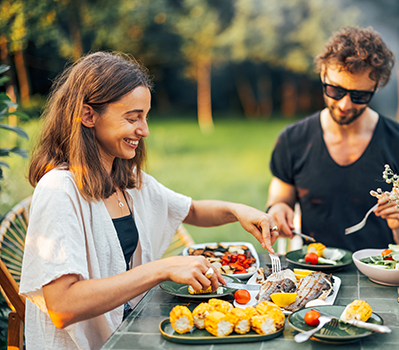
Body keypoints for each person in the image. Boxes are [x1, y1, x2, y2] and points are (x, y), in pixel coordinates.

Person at [19, 51, 278, 350]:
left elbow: (190, 210)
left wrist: (238, 210)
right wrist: (160, 269)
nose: (144, 130)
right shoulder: (59, 190)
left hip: (131, 331)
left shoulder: (124, 176)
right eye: (133, 118)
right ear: (88, 115)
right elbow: (62, 306)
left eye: (145, 116)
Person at [266, 27, 399, 252]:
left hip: (381, 276)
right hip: (314, 273)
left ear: (377, 86)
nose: (345, 105)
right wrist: (278, 210)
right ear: (323, 75)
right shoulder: (293, 140)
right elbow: (280, 199)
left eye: (359, 96)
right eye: (335, 90)